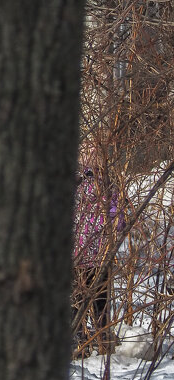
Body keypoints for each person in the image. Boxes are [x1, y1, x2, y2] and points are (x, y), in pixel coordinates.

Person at [73, 148, 121, 355]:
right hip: (99, 255)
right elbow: (117, 221)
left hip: (78, 253)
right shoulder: (110, 184)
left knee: (77, 300)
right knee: (100, 300)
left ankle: (80, 340)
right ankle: (102, 340)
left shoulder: (76, 183)